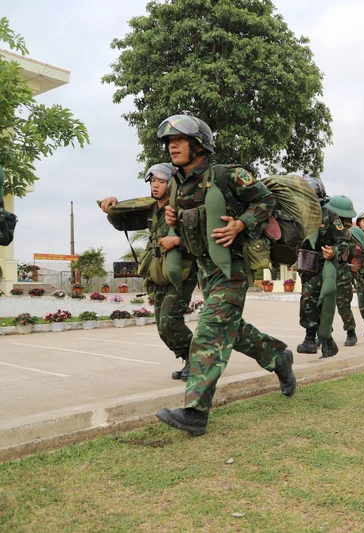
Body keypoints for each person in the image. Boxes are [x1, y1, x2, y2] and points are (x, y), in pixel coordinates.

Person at [153, 114, 295, 436]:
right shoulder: (177, 182)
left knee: (209, 330)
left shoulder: (227, 175)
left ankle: (195, 413)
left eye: (179, 140)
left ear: (199, 144)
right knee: (231, 328)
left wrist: (241, 222)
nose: (172, 146)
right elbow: (188, 222)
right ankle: (278, 356)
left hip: (231, 268)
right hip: (205, 269)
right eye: (168, 142)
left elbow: (265, 200)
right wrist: (174, 217)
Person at [99, 163, 198, 382]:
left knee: (169, 321)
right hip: (157, 272)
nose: (155, 185)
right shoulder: (151, 208)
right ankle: (189, 358)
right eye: (152, 181)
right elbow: (123, 222)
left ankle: (198, 361)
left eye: (161, 182)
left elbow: (201, 238)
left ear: (172, 183)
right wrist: (112, 205)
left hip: (181, 272)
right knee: (163, 328)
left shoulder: (183, 208)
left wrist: (178, 241)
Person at [296, 181, 351, 357]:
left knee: (308, 297)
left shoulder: (330, 216)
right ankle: (328, 342)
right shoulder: (297, 214)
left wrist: (334, 252)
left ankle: (310, 339)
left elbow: (344, 241)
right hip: (305, 266)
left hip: (323, 265)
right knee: (311, 303)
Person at [330, 196, 359, 347]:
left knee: (343, 305)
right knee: (323, 306)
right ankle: (323, 335)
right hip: (327, 270)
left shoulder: (348, 232)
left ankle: (351, 332)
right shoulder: (326, 224)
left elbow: (352, 253)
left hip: (342, 273)